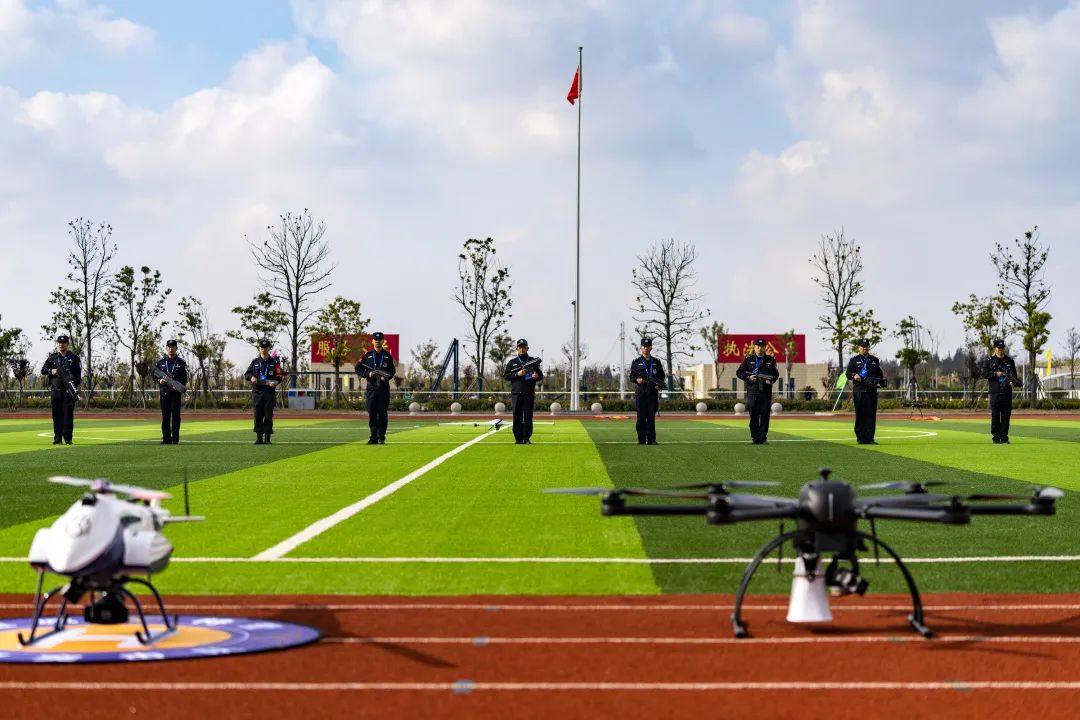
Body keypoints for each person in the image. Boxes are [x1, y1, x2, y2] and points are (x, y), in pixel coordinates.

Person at [40, 334, 81, 445]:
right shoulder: (52, 357)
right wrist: (51, 371)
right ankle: (57, 438)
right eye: (59, 343)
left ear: (67, 344)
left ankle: (68, 439)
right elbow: (43, 370)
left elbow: (78, 376)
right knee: (56, 415)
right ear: (57, 344)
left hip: (69, 391)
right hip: (56, 391)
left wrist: (72, 385)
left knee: (68, 415)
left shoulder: (74, 358)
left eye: (63, 343)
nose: (61, 345)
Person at [736, 339, 778, 444]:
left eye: (762, 346)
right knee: (753, 415)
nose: (760, 348)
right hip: (753, 391)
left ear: (765, 347)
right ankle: (755, 437)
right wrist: (748, 377)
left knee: (765, 415)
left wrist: (771, 380)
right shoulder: (748, 359)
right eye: (757, 346)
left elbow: (776, 374)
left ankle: (763, 438)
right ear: (754, 347)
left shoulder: (770, 360)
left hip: (766, 392)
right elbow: (739, 372)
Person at [356, 331, 395, 444]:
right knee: (372, 412)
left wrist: (386, 377)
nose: (377, 341)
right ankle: (373, 437)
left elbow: (392, 371)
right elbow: (358, 368)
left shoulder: (387, 356)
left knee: (382, 413)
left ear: (383, 341)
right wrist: (367, 374)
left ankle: (381, 436)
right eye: (375, 339)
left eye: (379, 339)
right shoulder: (367, 355)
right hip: (372, 388)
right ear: (372, 341)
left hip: (383, 388)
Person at [504, 338, 543, 444]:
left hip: (528, 393)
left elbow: (540, 376)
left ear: (527, 348)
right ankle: (518, 438)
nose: (522, 349)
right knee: (517, 416)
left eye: (524, 347)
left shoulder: (533, 361)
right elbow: (506, 376)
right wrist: (517, 374)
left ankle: (526, 438)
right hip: (516, 394)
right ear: (516, 349)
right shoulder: (512, 362)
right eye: (520, 347)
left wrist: (536, 376)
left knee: (528, 416)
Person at [845, 338, 885, 445]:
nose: (864, 348)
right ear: (858, 347)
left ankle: (870, 438)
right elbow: (848, 373)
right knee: (860, 415)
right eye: (862, 346)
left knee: (871, 415)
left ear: (869, 347)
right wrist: (854, 375)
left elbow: (880, 375)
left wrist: (880, 383)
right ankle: (861, 438)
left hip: (871, 392)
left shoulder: (875, 360)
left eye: (866, 346)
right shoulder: (854, 360)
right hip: (859, 392)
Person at [244, 339, 283, 445]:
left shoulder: (274, 362)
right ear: (259, 348)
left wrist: (275, 383)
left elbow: (279, 377)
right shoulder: (255, 362)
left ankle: (268, 438)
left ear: (269, 348)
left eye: (265, 347)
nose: (263, 349)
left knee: (268, 416)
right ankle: (259, 438)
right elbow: (247, 374)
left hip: (269, 393)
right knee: (258, 416)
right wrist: (251, 377)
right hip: (257, 393)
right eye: (261, 347)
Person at [628, 338, 664, 445]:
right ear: (641, 348)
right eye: (644, 346)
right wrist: (637, 380)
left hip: (652, 393)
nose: (646, 348)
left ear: (651, 348)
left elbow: (662, 376)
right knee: (641, 418)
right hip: (641, 393)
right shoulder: (636, 362)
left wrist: (658, 385)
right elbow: (631, 377)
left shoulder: (656, 362)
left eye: (648, 346)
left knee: (651, 417)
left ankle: (652, 439)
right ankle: (641, 439)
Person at [983, 339, 1019, 444]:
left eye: (1002, 348)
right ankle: (996, 437)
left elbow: (1014, 376)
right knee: (995, 415)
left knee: (1006, 415)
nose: (1000, 350)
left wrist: (1012, 382)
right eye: (998, 348)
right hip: (995, 392)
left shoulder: (1010, 361)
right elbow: (984, 374)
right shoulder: (989, 361)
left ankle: (1004, 437)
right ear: (994, 348)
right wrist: (995, 373)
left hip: (1007, 392)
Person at [156, 339, 188, 445]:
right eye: (169, 347)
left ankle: (175, 439)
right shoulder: (160, 363)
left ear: (176, 348)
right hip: (164, 393)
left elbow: (184, 378)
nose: (171, 349)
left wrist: (177, 384)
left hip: (175, 394)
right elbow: (154, 375)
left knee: (175, 416)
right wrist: (159, 380)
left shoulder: (181, 362)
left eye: (173, 347)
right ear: (166, 348)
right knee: (165, 417)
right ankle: (166, 439)